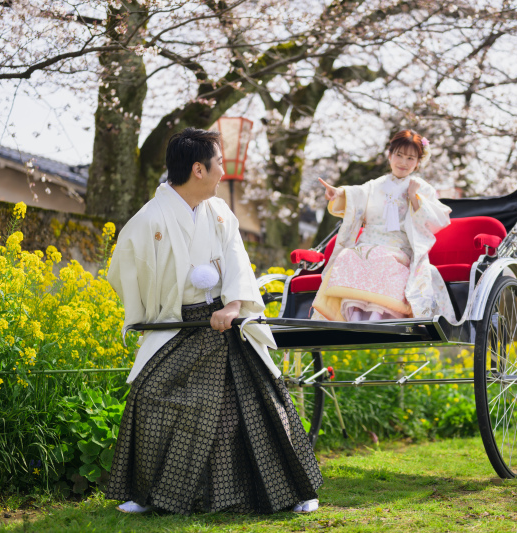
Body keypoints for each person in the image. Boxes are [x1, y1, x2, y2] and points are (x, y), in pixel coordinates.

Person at [105, 128, 322, 515]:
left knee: (263, 400)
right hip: (178, 325)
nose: (224, 170)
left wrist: (234, 304)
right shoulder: (147, 219)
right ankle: (149, 495)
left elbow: (238, 260)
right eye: (219, 163)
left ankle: (293, 490)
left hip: (227, 320)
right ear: (197, 169)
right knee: (150, 395)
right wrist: (162, 306)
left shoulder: (220, 212)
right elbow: (124, 270)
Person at [312, 130, 457, 323]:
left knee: (379, 257)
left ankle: (376, 315)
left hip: (398, 247)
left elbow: (437, 219)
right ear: (389, 155)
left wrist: (415, 198)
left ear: (418, 162)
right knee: (349, 255)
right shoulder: (374, 185)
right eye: (399, 155)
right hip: (368, 243)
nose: (403, 162)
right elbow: (355, 195)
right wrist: (338, 193)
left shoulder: (421, 187)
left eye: (410, 158)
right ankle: (354, 314)